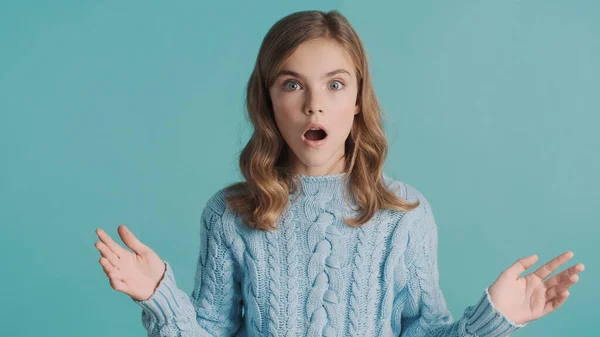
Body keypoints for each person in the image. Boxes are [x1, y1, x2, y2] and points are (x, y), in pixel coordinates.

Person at [94, 9, 585, 337]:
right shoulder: (230, 214)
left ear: (356, 101)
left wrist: (493, 319)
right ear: (268, 101)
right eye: (292, 85)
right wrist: (159, 296)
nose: (314, 105)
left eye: (334, 84)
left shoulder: (403, 215)